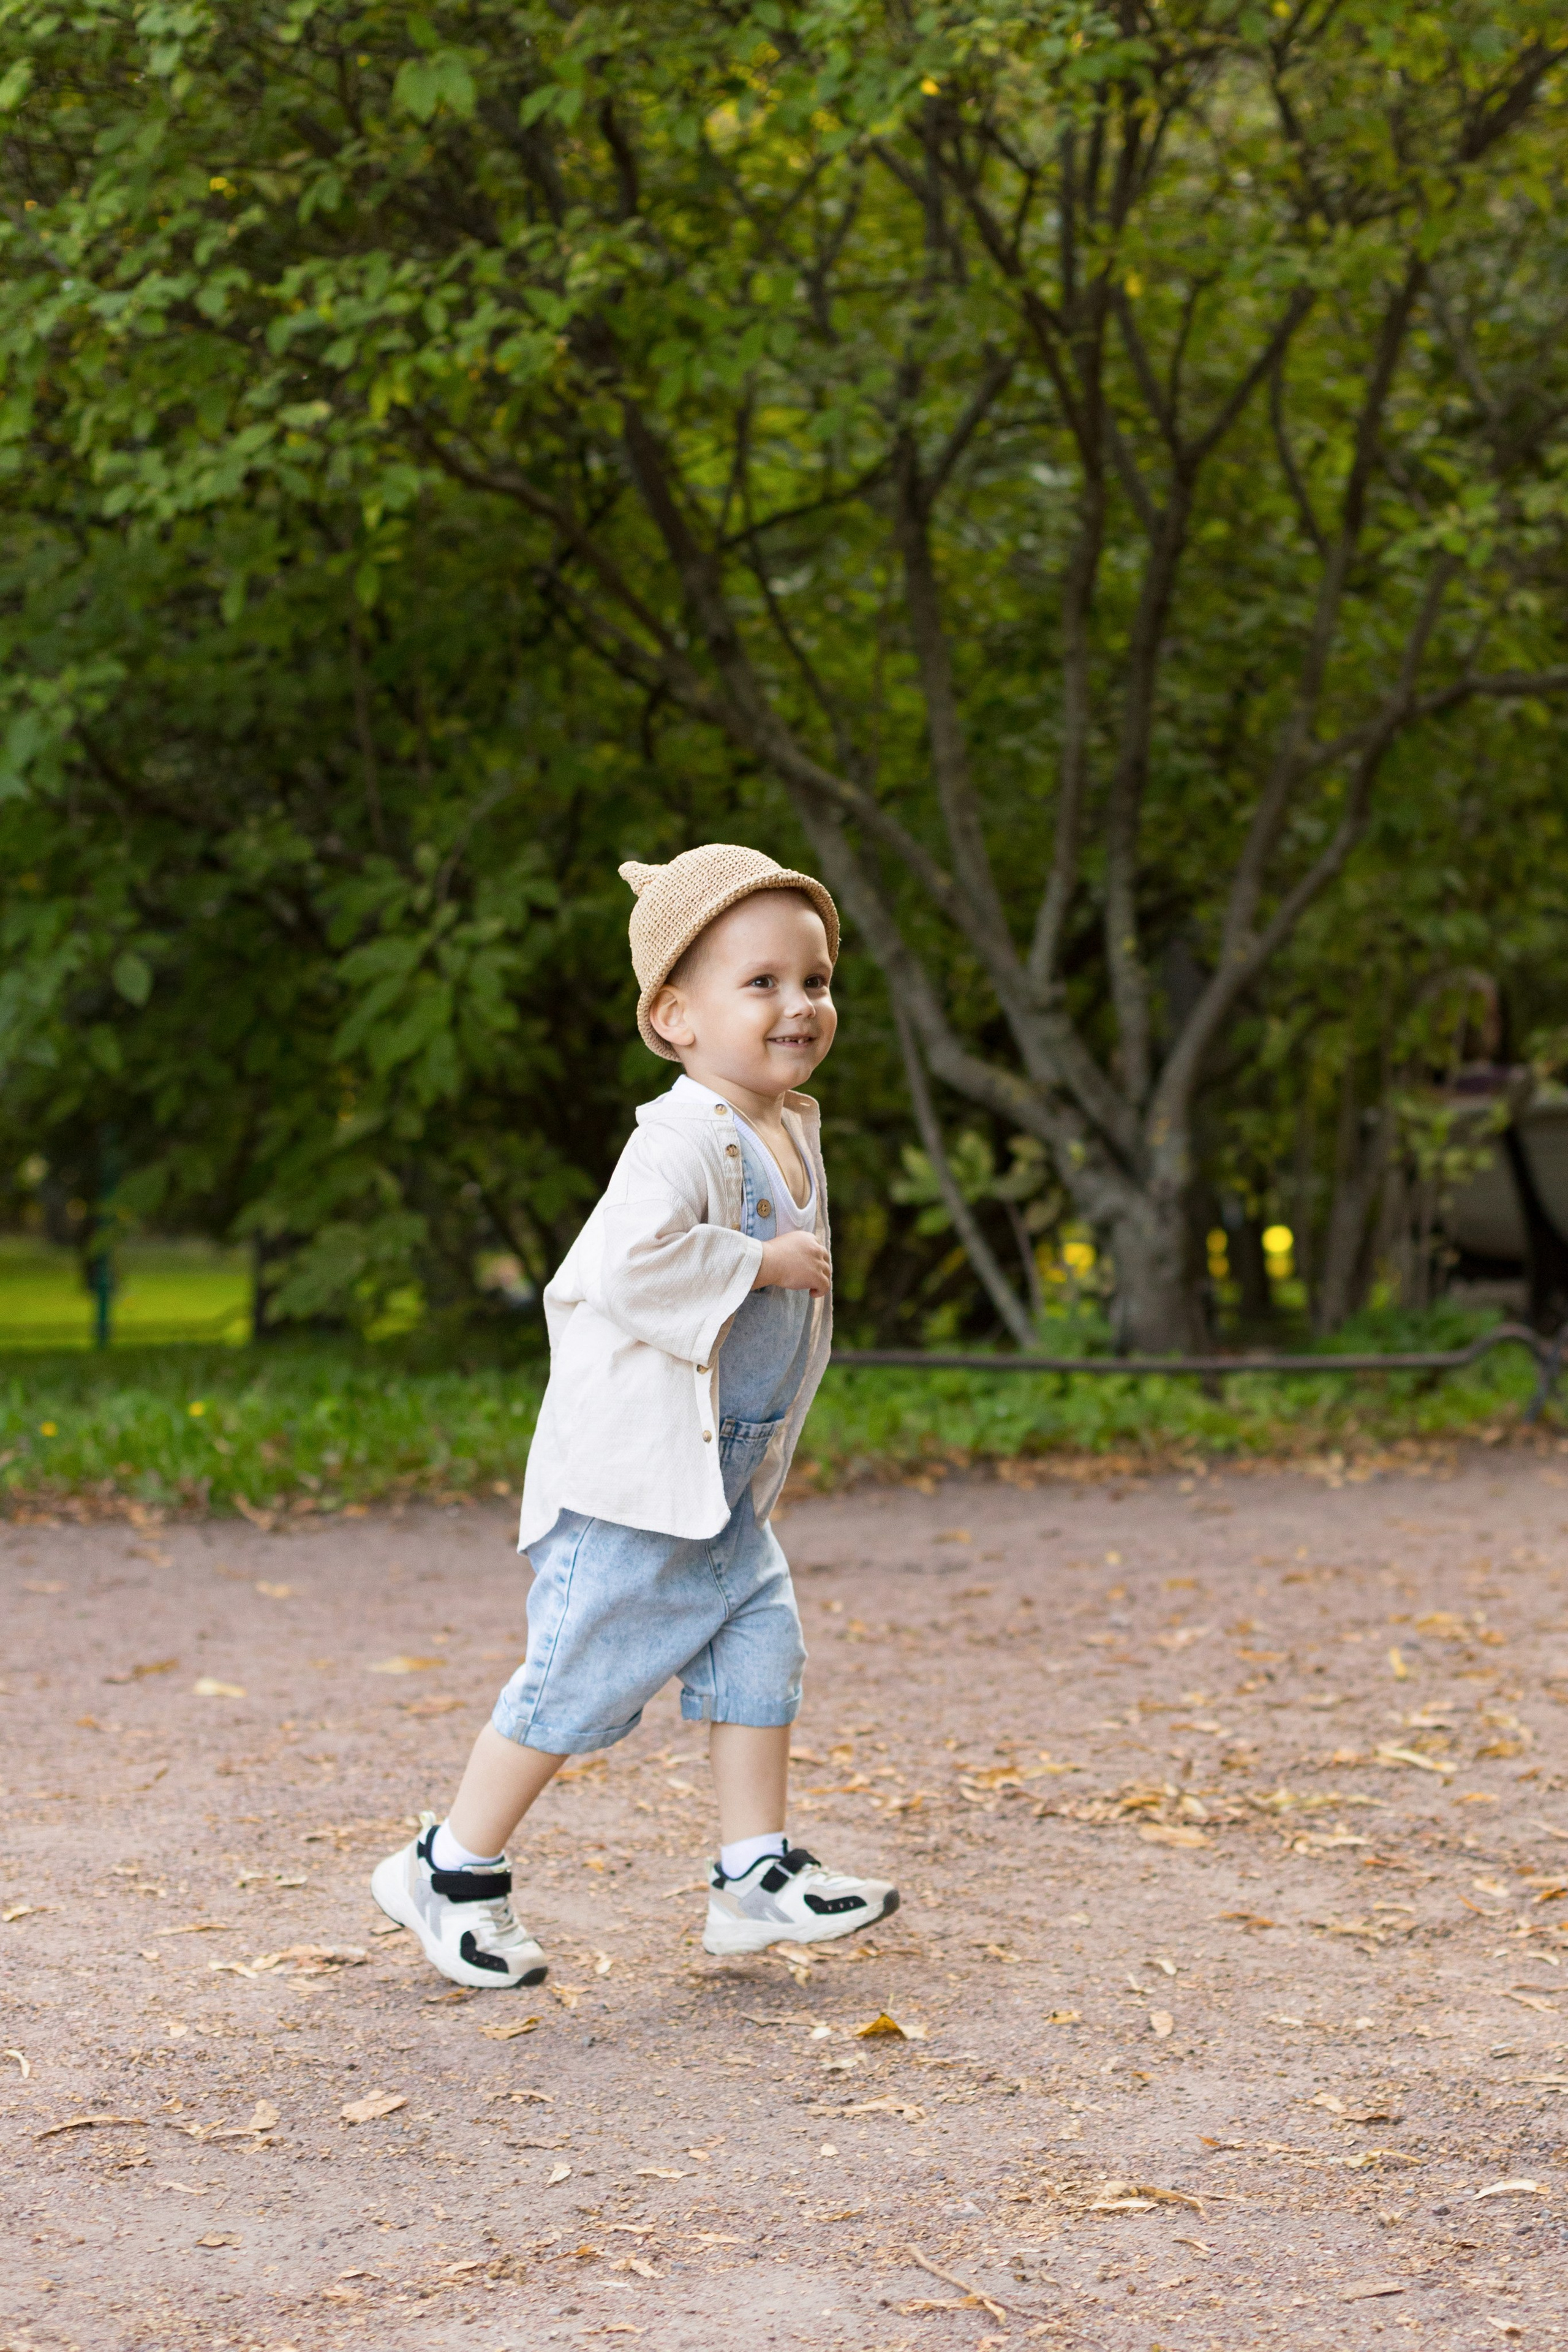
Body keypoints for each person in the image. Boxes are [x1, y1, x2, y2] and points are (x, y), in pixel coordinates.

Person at [372, 843, 898, 1989]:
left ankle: (752, 1877)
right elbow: (625, 1269)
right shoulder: (677, 1139)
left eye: (813, 981)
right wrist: (756, 1261)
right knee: (575, 1681)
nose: (799, 1005)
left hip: (720, 1483)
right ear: (675, 1017)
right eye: (760, 983)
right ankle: (449, 1867)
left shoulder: (786, 1122)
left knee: (763, 1650)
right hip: (633, 1484)